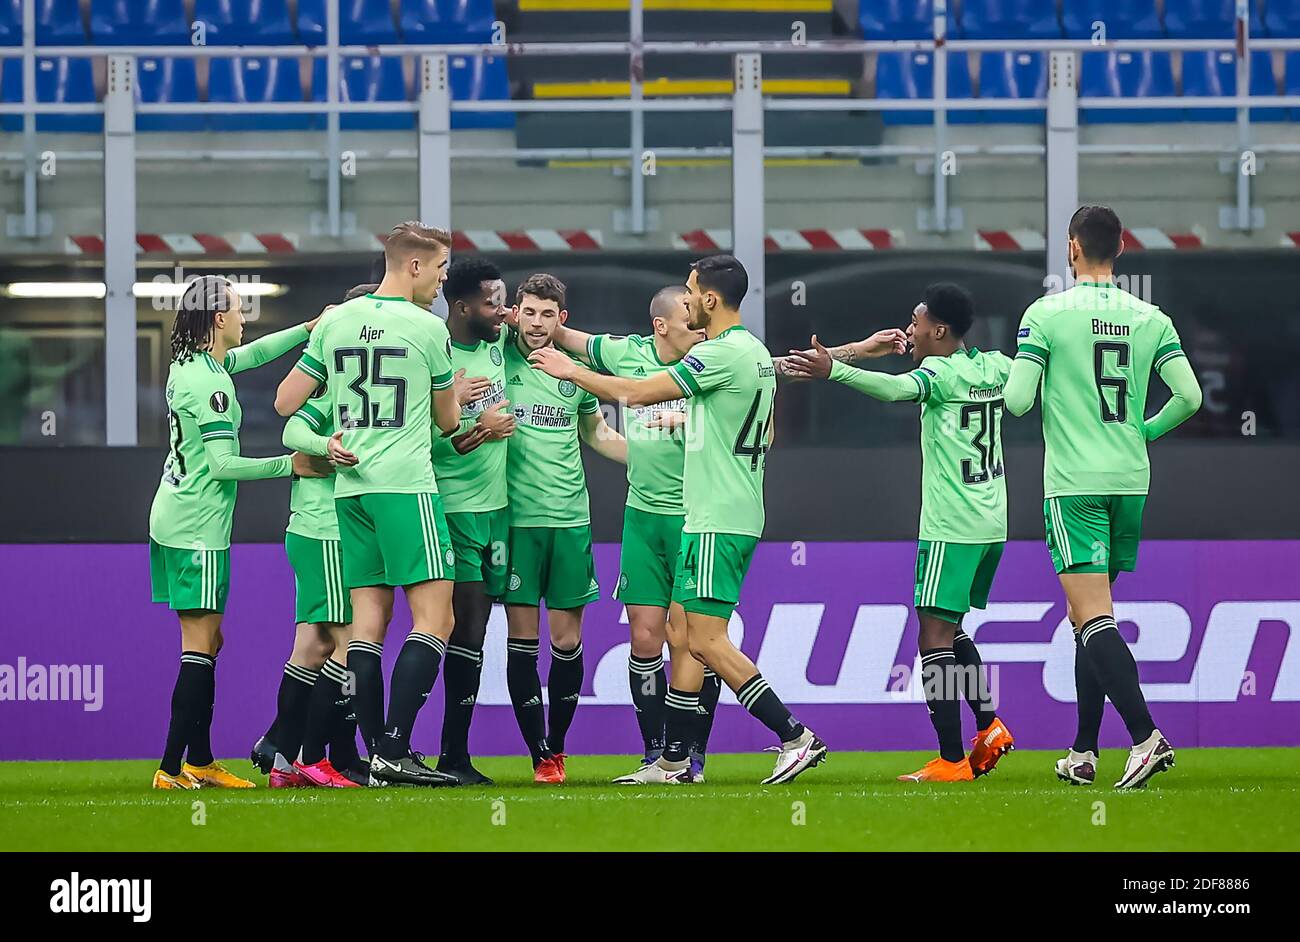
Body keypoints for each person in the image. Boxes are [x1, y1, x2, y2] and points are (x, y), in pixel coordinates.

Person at [530, 255, 826, 785]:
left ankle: (794, 736)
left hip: (715, 512)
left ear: (709, 300)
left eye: (692, 293)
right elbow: (766, 425)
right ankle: (670, 761)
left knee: (707, 640)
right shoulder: (751, 352)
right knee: (687, 634)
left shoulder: (716, 355)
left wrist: (572, 372)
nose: (687, 300)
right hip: (722, 510)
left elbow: (639, 392)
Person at [783, 283, 1016, 782]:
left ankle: (953, 761)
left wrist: (835, 370)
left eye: (916, 321)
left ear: (939, 329)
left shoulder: (938, 373)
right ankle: (989, 726)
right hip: (993, 521)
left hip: (951, 524)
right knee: (952, 630)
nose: (910, 328)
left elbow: (894, 390)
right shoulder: (994, 366)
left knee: (932, 636)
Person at [1004, 205, 1202, 789]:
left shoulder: (1046, 314)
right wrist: (1141, 430)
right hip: (1129, 479)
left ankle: (1145, 737)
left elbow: (1017, 402)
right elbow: (1188, 398)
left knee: (1092, 615)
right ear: (1120, 248)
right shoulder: (1150, 318)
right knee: (1087, 613)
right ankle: (1084, 750)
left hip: (1075, 484)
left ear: (1071, 248)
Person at [274, 222, 463, 787]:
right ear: (413, 266)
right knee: (436, 618)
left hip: (350, 490)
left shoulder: (335, 321)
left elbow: (286, 402)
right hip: (405, 485)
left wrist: (330, 436)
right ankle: (393, 747)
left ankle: (376, 751)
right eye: (439, 272)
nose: (441, 283)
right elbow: (449, 422)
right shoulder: (428, 328)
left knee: (367, 627)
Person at [149, 275, 330, 789]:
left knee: (210, 640)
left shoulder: (193, 365)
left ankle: (200, 759)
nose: (245, 317)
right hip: (196, 527)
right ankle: (170, 768)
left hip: (177, 515)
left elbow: (249, 358)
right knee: (199, 645)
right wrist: (291, 465)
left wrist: (306, 330)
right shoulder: (209, 385)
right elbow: (224, 464)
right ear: (218, 319)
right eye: (238, 309)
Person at [548, 286, 721, 782]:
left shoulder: (714, 362)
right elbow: (568, 337)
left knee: (692, 641)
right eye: (689, 324)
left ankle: (690, 754)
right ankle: (655, 755)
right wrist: (531, 322)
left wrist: (687, 416)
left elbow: (755, 414)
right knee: (645, 639)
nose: (699, 331)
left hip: (694, 517)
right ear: (661, 326)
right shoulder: (628, 353)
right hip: (642, 518)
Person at [502, 273, 627, 783]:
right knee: (520, 639)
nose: (537, 323)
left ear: (562, 320)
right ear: (516, 313)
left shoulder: (572, 372)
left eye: (547, 314)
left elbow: (598, 435)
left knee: (567, 640)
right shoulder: (497, 357)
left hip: (570, 521)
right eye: (528, 312)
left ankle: (557, 746)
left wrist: (652, 457)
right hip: (514, 523)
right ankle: (539, 755)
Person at [252, 283, 379, 789]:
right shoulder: (333, 382)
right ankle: (304, 753)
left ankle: (282, 757)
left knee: (313, 644)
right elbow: (292, 427)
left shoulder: (362, 383)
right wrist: (327, 448)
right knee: (348, 645)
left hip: (329, 529)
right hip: (323, 529)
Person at [431, 258, 515, 785]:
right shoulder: (434, 354)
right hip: (455, 508)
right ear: (461, 307)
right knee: (459, 630)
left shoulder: (497, 343)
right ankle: (440, 754)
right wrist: (479, 427)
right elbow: (427, 438)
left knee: (478, 632)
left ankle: (451, 756)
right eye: (492, 302)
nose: (501, 310)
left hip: (499, 511)